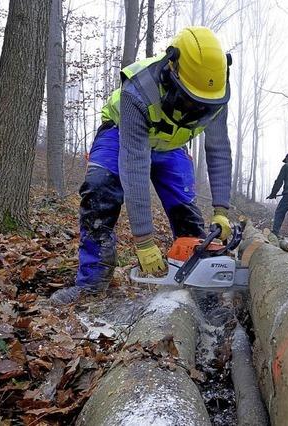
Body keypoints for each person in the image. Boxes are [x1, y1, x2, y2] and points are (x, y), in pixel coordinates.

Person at [50, 27, 233, 305]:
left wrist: (221, 211)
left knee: (186, 212)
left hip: (170, 144)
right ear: (172, 69)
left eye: (202, 103)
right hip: (122, 134)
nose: (198, 108)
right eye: (190, 98)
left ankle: (199, 287)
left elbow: (218, 150)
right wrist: (144, 239)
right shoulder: (138, 89)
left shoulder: (215, 92)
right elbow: (134, 165)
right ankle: (91, 283)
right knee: (99, 190)